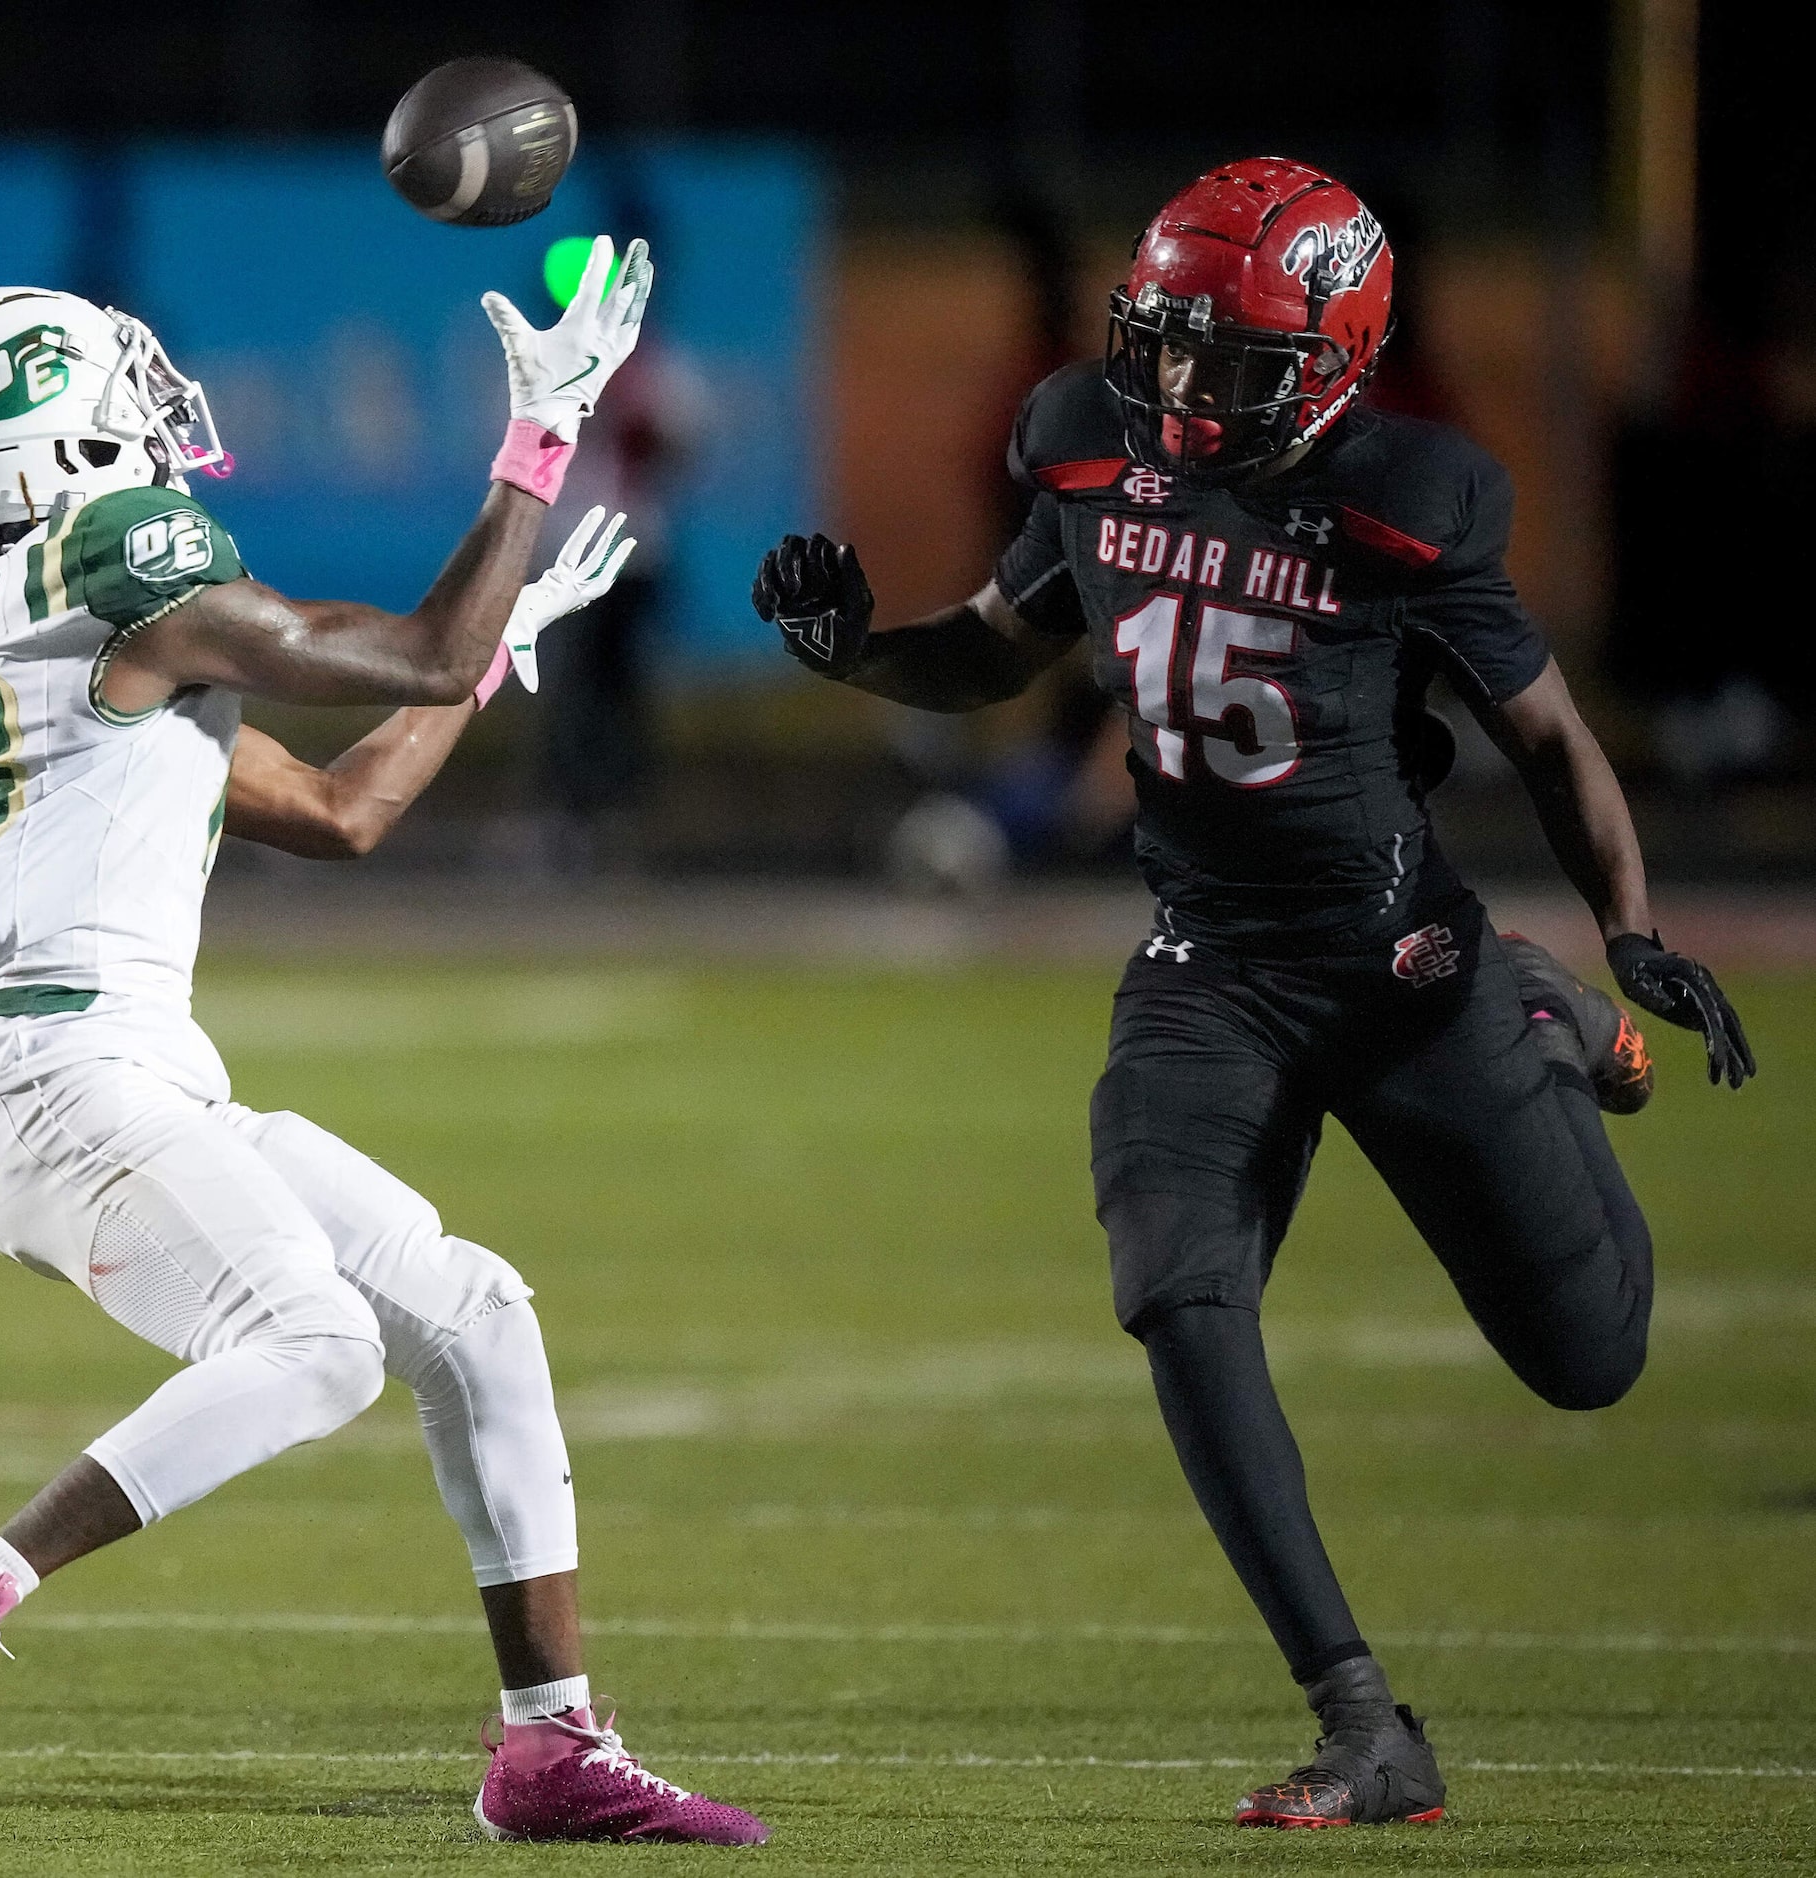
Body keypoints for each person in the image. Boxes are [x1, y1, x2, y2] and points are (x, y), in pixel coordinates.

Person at [751, 157, 1755, 1829]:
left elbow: (1553, 738)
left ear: (1337, 356)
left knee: (1593, 1359)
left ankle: (1547, 1009)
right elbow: (1001, 647)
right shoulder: (1084, 441)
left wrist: (1626, 927)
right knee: (1173, 1278)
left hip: (1404, 973)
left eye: (1228, 362)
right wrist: (860, 646)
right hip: (1205, 963)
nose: (1177, 391)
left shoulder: (1402, 496)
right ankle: (1364, 1722)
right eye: (1161, 346)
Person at [0, 244, 765, 1846]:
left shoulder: (56, 618)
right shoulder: (111, 543)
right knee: (316, 1343)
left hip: (93, 1077)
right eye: (111, 386)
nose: (150, 401)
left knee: (471, 1313)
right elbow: (398, 650)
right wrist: (535, 445)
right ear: (59, 445)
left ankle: (548, 1744)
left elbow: (343, 809)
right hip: (62, 1081)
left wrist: (486, 649)